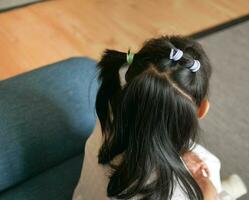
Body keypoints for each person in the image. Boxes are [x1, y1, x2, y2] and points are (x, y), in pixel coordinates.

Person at [73, 35, 223, 200]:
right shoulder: (177, 191)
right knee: (212, 166)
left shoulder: (108, 114)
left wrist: (181, 153)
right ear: (202, 110)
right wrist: (208, 188)